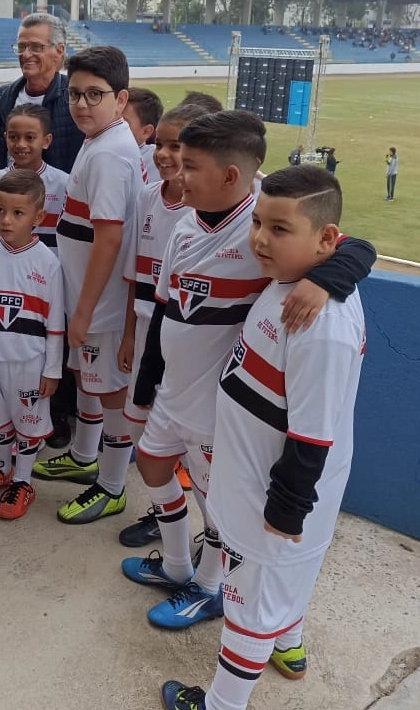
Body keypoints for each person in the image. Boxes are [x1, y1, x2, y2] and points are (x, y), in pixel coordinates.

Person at [121, 115, 374, 632]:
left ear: (232, 176)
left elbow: (353, 245)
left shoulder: (260, 217)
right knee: (150, 465)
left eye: (190, 165)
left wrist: (330, 277)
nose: (175, 172)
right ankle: (175, 565)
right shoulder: (186, 224)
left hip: (220, 407)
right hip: (173, 390)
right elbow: (166, 310)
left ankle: (209, 588)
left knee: (222, 510)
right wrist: (146, 387)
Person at [160, 166, 366, 710]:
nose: (259, 239)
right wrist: (330, 270)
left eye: (280, 229)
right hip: (253, 477)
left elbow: (312, 437)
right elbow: (356, 246)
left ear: (326, 240)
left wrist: (284, 513)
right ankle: (289, 644)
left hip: (270, 494)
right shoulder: (301, 280)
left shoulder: (320, 324)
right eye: (256, 222)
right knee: (282, 584)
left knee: (251, 594)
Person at [57, 98, 215, 529]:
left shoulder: (220, 209)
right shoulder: (149, 198)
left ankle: (194, 529)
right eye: (160, 144)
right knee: (144, 425)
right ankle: (142, 500)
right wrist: (129, 335)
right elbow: (136, 276)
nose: (163, 154)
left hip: (193, 345)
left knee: (188, 437)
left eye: (176, 146)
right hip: (145, 331)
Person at [32, 46, 146, 511]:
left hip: (103, 305)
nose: (81, 104)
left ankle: (113, 488)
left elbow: (109, 241)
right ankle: (83, 455)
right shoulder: (101, 140)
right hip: (91, 296)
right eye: (75, 94)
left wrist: (83, 312)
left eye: (94, 94)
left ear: (121, 99)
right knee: (90, 381)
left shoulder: (108, 155)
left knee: (111, 391)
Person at [0, 170, 64, 520]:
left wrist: (53, 369)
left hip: (29, 362)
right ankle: (0, 467)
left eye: (17, 213)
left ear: (39, 217)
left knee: (27, 421)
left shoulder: (49, 263)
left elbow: (55, 324)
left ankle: (22, 480)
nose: (5, 220)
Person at [0, 14, 84, 175]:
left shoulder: (79, 97)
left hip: (60, 198)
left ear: (59, 51)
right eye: (21, 47)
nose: (26, 54)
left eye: (36, 47)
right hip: (10, 197)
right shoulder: (0, 98)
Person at [0, 104, 69, 253]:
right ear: (5, 138)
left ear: (46, 141)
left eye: (30, 137)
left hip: (50, 266)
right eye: (13, 137)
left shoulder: (64, 183)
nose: (21, 144)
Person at [124, 87, 164, 183]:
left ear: (146, 131)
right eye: (112, 119)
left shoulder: (159, 161)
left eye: (123, 123)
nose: (113, 126)